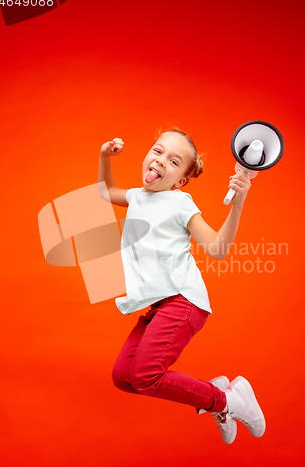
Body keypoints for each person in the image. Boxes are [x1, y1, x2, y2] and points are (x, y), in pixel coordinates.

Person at [98, 129, 265, 444]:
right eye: (158, 151)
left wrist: (238, 204)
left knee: (145, 376)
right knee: (124, 377)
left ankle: (228, 400)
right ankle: (218, 396)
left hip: (184, 301)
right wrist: (104, 156)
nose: (161, 160)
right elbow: (106, 192)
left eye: (173, 161)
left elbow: (217, 248)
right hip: (160, 304)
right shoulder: (137, 196)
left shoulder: (179, 203)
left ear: (180, 182)